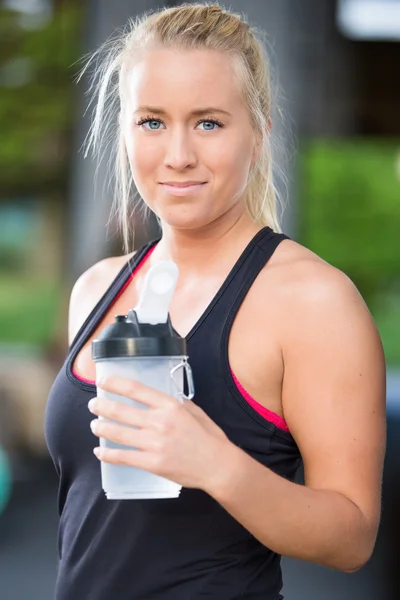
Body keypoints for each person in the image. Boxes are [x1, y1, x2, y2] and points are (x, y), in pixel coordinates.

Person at [44, 3, 386, 599]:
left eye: (208, 123)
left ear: (259, 130)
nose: (178, 155)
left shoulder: (312, 302)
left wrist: (215, 464)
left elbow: (352, 537)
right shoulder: (96, 289)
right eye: (152, 122)